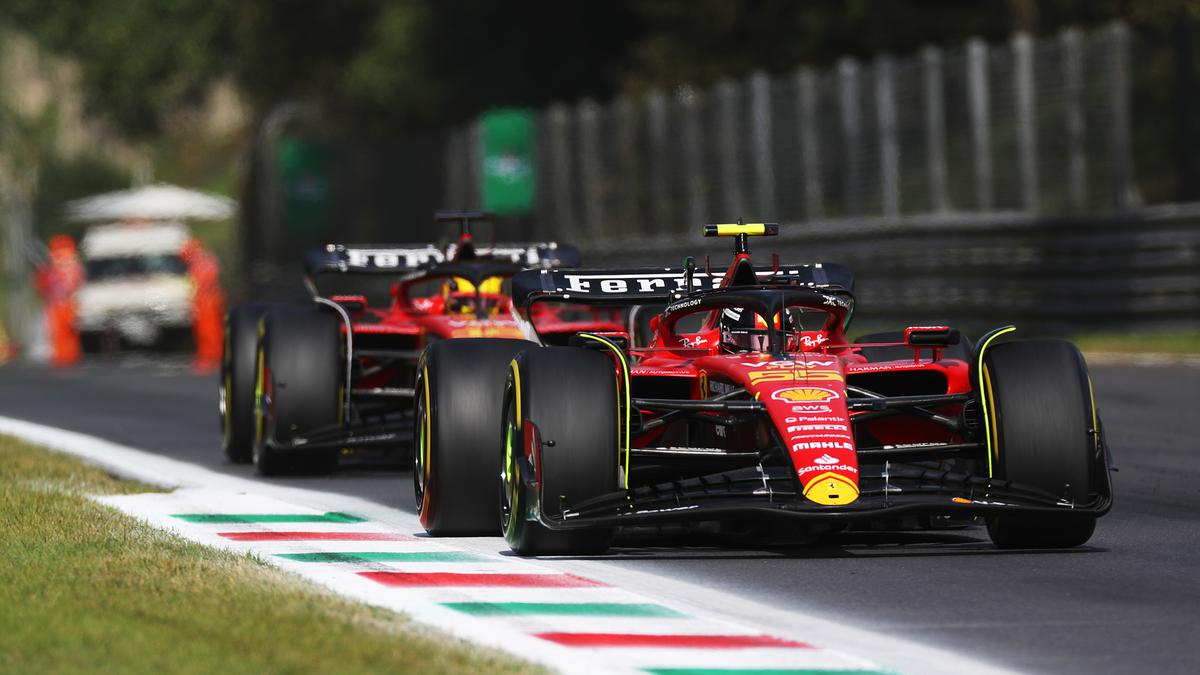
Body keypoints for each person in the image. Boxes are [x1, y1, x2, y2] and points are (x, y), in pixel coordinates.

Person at [33, 235, 84, 366]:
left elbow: (79, 286)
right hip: (55, 306)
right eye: (59, 255)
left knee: (72, 332)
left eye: (66, 255)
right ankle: (60, 356)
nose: (63, 259)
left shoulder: (75, 269)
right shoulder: (50, 272)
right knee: (57, 333)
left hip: (71, 305)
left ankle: (71, 354)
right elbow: (41, 286)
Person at [180, 238, 226, 372]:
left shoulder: (202, 263)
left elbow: (201, 283)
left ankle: (210, 358)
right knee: (203, 331)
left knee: (209, 331)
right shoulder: (201, 262)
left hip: (206, 302)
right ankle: (208, 357)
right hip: (204, 301)